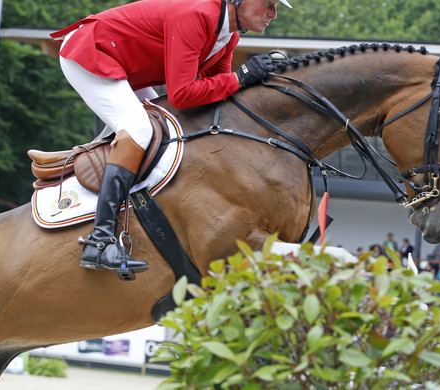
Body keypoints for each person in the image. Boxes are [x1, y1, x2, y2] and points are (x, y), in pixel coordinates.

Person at [51, 0, 291, 276]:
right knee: (140, 131)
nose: (273, 13)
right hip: (91, 52)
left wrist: (251, 84)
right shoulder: (197, 15)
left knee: (167, 129)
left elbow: (217, 95)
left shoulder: (228, 35)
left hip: (122, 66)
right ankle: (100, 240)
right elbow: (182, 95)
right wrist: (241, 77)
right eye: (268, 4)